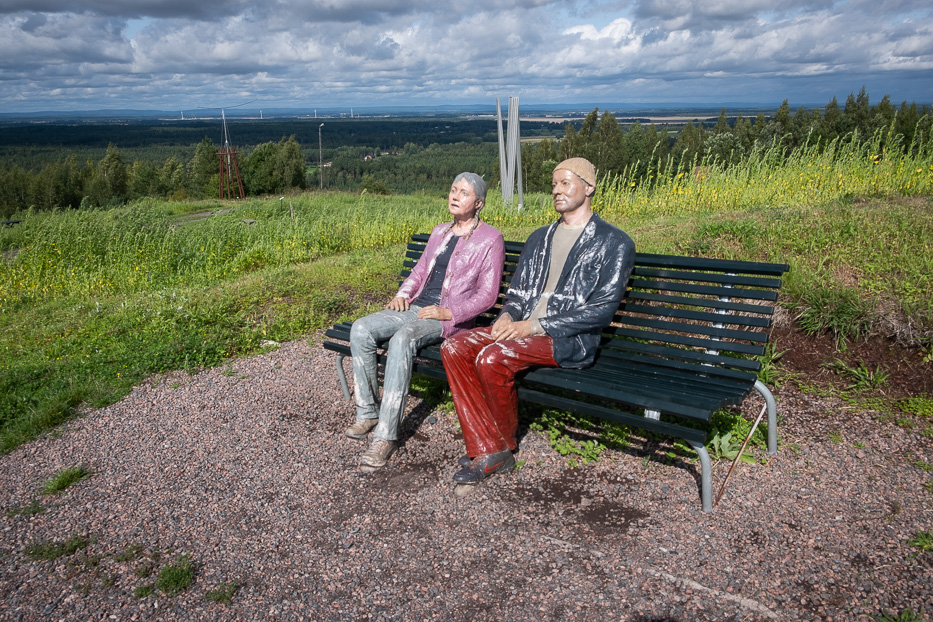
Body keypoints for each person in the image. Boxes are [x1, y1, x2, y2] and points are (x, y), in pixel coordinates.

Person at [440, 157, 635, 486]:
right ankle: (492, 447)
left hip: (567, 339)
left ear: (589, 188)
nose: (557, 191)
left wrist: (531, 327)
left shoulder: (614, 243)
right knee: (454, 346)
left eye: (565, 183)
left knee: (492, 357)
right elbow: (517, 295)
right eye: (554, 184)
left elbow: (601, 310)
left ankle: (495, 452)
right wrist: (507, 316)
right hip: (522, 329)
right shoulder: (539, 238)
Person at [347, 172, 505, 472]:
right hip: (417, 307)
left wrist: (450, 312)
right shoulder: (439, 232)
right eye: (453, 189)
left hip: (448, 319)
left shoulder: (490, 239)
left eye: (464, 193)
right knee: (361, 328)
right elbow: (420, 272)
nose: (455, 196)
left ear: (479, 203)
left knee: (404, 338)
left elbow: (488, 294)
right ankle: (367, 411)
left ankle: (385, 435)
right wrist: (402, 294)